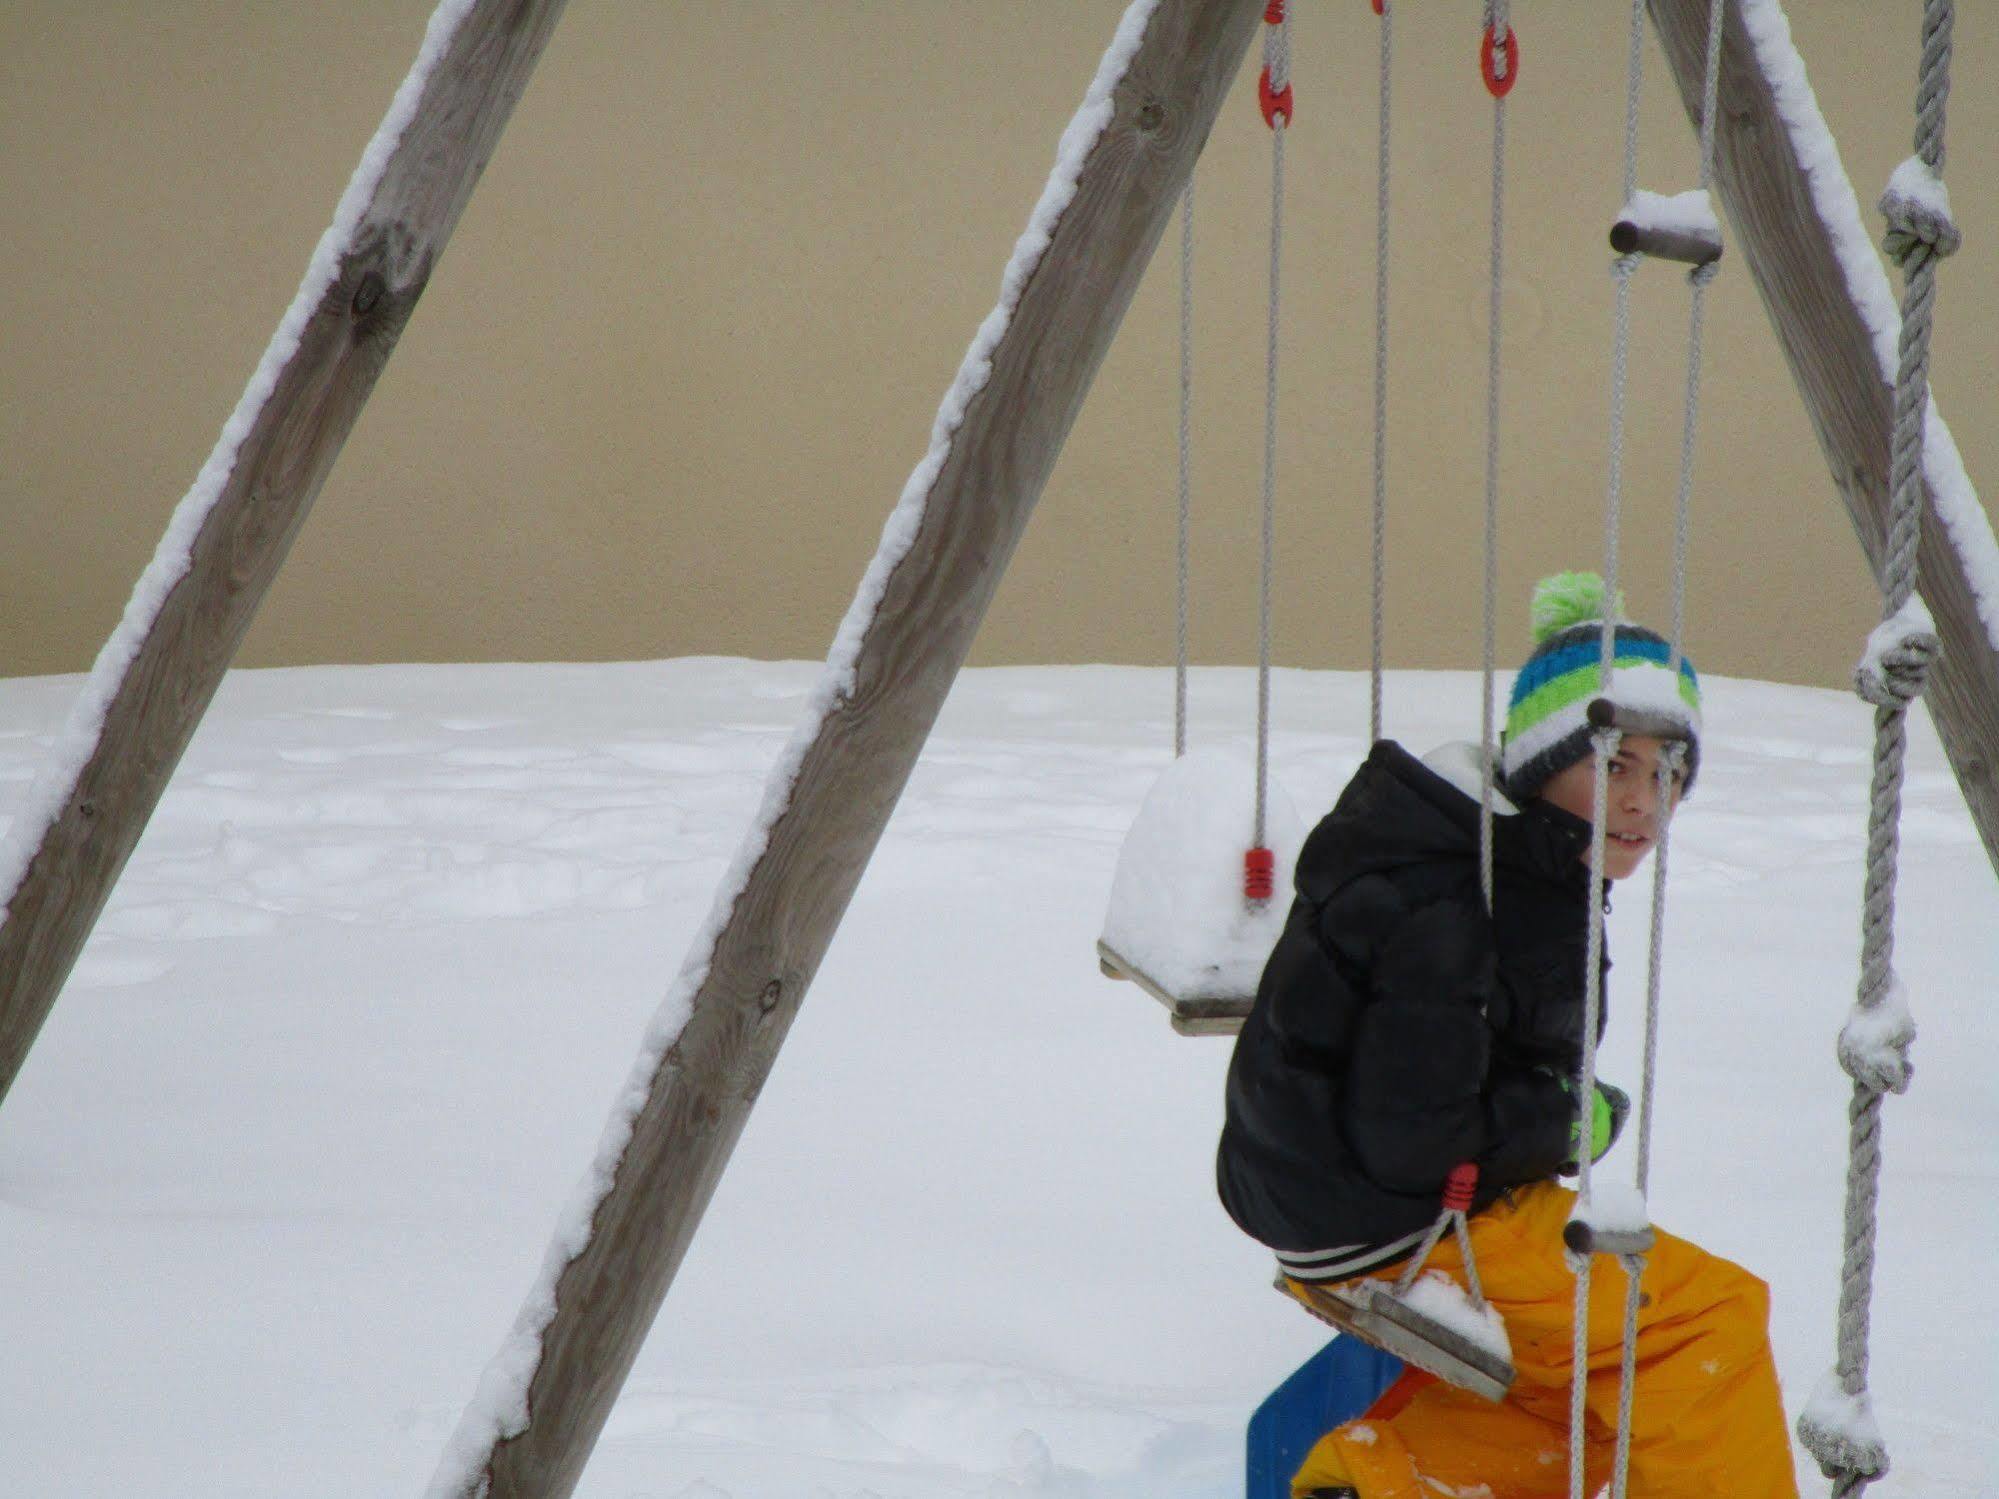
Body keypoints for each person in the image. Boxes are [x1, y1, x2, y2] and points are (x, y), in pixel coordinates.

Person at [1216, 572, 1798, 1499]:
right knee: (1702, 1327)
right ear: (1536, 765)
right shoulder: (1458, 900)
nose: (1648, 802)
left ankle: (1385, 1487)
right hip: (1399, 1217)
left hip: (1329, 1202)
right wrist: (1572, 1121)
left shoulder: (1494, 859)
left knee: (1594, 1389)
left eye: (1669, 772)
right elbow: (1413, 1133)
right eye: (1614, 765)